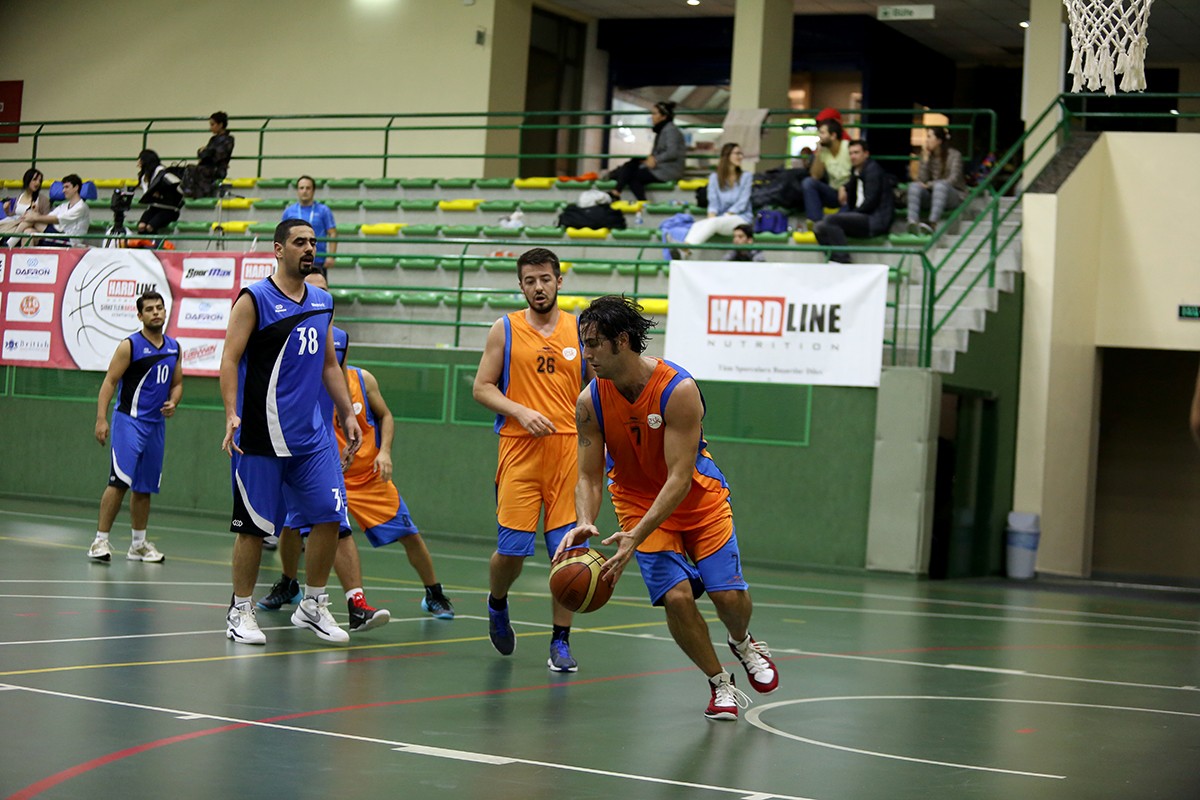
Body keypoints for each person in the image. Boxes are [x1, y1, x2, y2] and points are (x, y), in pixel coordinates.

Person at [557, 295, 779, 721]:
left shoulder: (678, 390)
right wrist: (584, 520)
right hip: (637, 501)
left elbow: (679, 478)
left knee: (728, 596)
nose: (587, 354)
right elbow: (588, 476)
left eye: (594, 343)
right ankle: (720, 683)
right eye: (584, 344)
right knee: (676, 598)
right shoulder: (589, 401)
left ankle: (743, 642)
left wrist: (635, 537)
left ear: (622, 341)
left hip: (697, 499)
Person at [257, 273, 454, 628]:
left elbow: (386, 415)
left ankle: (434, 592)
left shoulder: (361, 380)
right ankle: (293, 585)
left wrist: (384, 451)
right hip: (318, 467)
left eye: (322, 290)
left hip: (366, 474)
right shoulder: (295, 373)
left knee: (409, 534)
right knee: (293, 525)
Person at [220, 218, 362, 646]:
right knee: (254, 527)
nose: (309, 248)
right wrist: (231, 413)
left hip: (312, 437)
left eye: (313, 242)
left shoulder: (322, 301)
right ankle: (240, 609)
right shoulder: (254, 299)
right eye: (300, 242)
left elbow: (329, 365)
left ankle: (313, 603)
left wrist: (347, 414)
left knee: (329, 516)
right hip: (262, 433)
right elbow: (229, 359)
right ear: (278, 249)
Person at [472, 247, 594, 672]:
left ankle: (560, 640)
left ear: (559, 281)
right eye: (530, 281)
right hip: (519, 450)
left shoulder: (580, 330)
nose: (538, 287)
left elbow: (598, 390)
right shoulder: (505, 329)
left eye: (545, 279)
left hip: (568, 453)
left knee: (570, 553)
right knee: (512, 553)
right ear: (521, 286)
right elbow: (482, 387)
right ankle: (497, 601)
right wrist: (520, 411)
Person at [87, 291, 182, 563]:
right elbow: (109, 381)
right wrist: (101, 418)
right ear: (140, 316)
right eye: (149, 309)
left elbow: (177, 383)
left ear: (165, 312)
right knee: (119, 482)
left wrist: (174, 402)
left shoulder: (174, 347)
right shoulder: (130, 346)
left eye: (159, 308)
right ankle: (99, 541)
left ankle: (138, 545)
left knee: (144, 487)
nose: (156, 312)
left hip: (156, 427)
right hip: (129, 422)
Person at [813, 139, 895, 264]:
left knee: (831, 220)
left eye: (856, 153)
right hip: (863, 216)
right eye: (850, 153)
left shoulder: (873, 171)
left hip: (874, 220)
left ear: (866, 154)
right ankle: (833, 260)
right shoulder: (855, 170)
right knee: (819, 227)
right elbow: (851, 185)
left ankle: (843, 260)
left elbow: (870, 203)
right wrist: (843, 187)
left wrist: (852, 214)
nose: (853, 156)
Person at [682, 143, 753, 255]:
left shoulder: (746, 177)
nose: (740, 157)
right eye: (737, 153)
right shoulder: (714, 178)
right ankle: (685, 250)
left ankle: (686, 248)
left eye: (741, 154)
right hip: (721, 219)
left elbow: (742, 202)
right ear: (727, 156)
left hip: (741, 218)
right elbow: (713, 202)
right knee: (697, 225)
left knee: (714, 222)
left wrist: (726, 215)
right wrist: (711, 216)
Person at [608, 101, 686, 201]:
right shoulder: (662, 130)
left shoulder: (671, 130)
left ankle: (640, 201)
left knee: (633, 176)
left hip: (668, 170)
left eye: (654, 114)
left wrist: (656, 160)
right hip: (660, 167)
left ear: (664, 116)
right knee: (631, 164)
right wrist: (649, 160)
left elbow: (672, 152)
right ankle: (617, 191)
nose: (651, 117)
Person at [906, 126, 967, 236]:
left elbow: (953, 179)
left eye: (929, 137)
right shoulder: (927, 155)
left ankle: (932, 223)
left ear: (939, 140)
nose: (926, 140)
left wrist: (929, 185)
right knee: (914, 186)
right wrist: (925, 160)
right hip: (932, 194)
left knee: (941, 186)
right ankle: (912, 222)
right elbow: (922, 180)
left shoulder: (954, 155)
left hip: (953, 195)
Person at [10, 173, 90, 247]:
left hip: (70, 241)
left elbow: (57, 220)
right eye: (63, 187)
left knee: (34, 219)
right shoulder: (64, 205)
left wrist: (34, 217)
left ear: (76, 187)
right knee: (28, 231)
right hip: (58, 235)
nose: (63, 190)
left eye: (67, 187)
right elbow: (48, 217)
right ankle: (25, 256)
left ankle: (10, 242)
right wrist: (35, 213)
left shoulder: (81, 207)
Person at [800, 120, 851, 229]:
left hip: (850, 193)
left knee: (837, 221)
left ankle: (830, 225)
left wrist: (845, 187)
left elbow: (858, 174)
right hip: (833, 193)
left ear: (833, 135)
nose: (819, 136)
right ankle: (816, 223)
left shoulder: (848, 147)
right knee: (808, 183)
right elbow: (815, 176)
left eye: (822, 133)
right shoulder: (824, 151)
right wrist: (818, 154)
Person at [281, 176, 337, 272]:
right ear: (297, 191)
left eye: (308, 188)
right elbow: (282, 235)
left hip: (318, 260)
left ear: (313, 190)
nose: (304, 191)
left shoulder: (324, 210)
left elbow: (332, 233)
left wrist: (331, 256)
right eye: (301, 188)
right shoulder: (289, 211)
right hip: (294, 260)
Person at [184, 111, 235, 198]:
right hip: (208, 166)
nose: (210, 127)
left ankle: (199, 194)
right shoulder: (213, 139)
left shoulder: (228, 139)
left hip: (217, 169)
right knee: (189, 169)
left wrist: (207, 151)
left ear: (220, 125)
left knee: (195, 170)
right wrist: (206, 152)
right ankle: (191, 193)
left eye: (212, 124)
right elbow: (203, 154)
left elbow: (217, 156)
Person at [135, 149, 184, 235]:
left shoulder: (162, 171)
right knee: (141, 226)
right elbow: (147, 194)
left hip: (169, 209)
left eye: (140, 159)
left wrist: (161, 193)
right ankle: (142, 243)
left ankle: (152, 242)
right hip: (154, 207)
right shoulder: (144, 176)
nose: (138, 161)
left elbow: (177, 185)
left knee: (150, 227)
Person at [0, 168, 50, 236]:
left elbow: (47, 221)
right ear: (27, 180)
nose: (37, 183)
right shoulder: (19, 197)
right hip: (16, 226)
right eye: (34, 179)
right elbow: (14, 216)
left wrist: (37, 214)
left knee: (28, 227)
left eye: (40, 181)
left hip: (32, 228)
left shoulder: (43, 200)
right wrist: (7, 211)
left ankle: (12, 239)